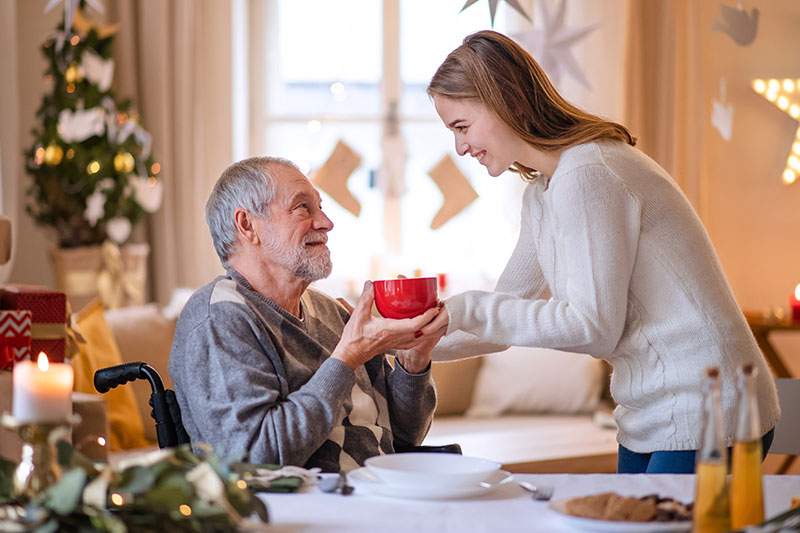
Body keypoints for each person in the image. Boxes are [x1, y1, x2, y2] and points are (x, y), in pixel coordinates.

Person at [417, 30, 780, 474]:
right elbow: (500, 322)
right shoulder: (544, 191)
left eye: (462, 127)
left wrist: (467, 307)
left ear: (505, 102)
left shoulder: (590, 172)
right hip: (649, 412)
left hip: (710, 406)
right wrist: (405, 344)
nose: (460, 147)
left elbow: (592, 327)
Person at [169, 156, 444, 472]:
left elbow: (404, 438)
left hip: (378, 495)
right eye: (303, 208)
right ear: (247, 225)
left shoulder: (329, 311)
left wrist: (414, 362)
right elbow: (255, 459)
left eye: (321, 208)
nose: (327, 223)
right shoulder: (220, 318)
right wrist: (346, 359)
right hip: (302, 511)